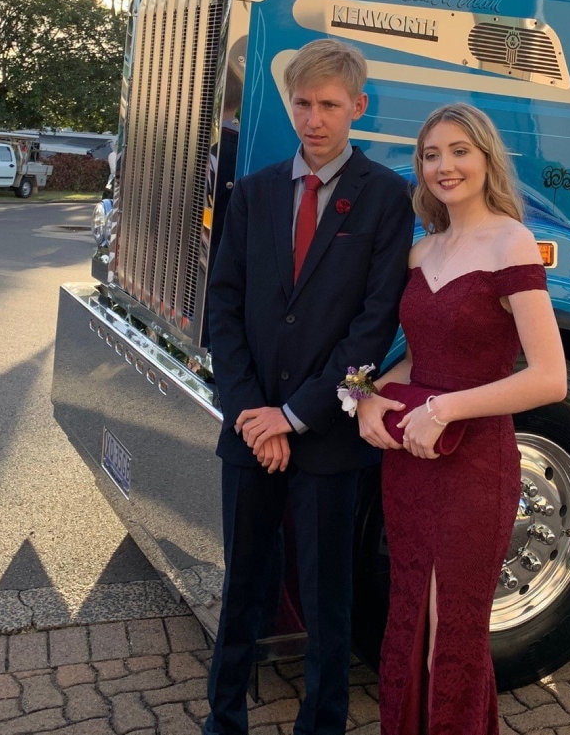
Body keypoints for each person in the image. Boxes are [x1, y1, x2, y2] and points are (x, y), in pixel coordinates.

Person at [202, 37, 413, 735]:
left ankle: (320, 724)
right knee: (243, 591)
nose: (314, 118)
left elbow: (373, 330)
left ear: (358, 106)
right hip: (250, 431)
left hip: (326, 438)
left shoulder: (385, 197)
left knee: (328, 601)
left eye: (329, 104)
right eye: (302, 102)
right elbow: (223, 308)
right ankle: (223, 718)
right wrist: (250, 416)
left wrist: (293, 417)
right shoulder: (256, 192)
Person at [357, 103, 566, 735]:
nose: (445, 166)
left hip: (477, 464)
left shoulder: (512, 241)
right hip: (412, 464)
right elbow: (419, 360)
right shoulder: (422, 253)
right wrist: (366, 394)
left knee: (455, 629)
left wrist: (444, 408)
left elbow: (549, 378)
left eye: (459, 151)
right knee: (409, 618)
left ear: (485, 158)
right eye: (431, 155)